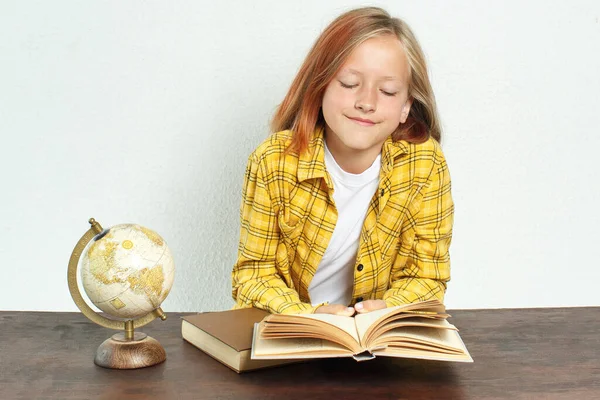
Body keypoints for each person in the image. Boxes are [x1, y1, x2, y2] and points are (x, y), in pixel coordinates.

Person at [231, 7, 453, 317]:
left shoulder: (425, 164)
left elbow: (427, 277)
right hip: (294, 334)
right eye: (349, 83)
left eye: (388, 91)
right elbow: (254, 276)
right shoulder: (273, 162)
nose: (366, 102)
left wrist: (389, 309)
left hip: (374, 343)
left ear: (406, 107)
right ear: (319, 87)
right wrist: (308, 317)